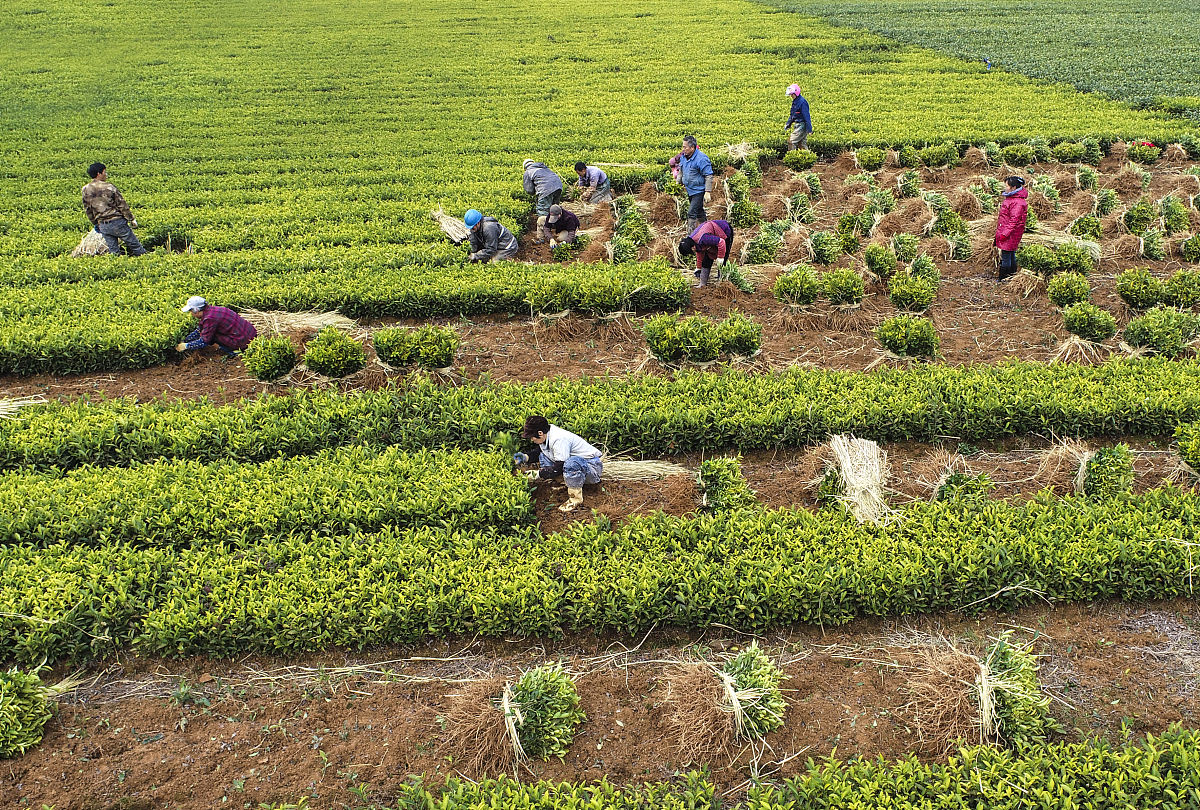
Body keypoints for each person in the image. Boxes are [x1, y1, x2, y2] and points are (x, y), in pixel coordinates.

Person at [520, 415, 603, 512]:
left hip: (592, 468)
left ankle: (575, 499)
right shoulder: (546, 435)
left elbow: (559, 467)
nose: (531, 439)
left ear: (540, 433)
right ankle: (566, 483)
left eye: (532, 437)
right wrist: (525, 457)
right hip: (579, 466)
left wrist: (537, 474)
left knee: (570, 464)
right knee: (543, 456)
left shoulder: (559, 439)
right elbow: (540, 451)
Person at [82, 162, 147, 256]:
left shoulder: (86, 189)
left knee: (114, 252)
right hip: (117, 222)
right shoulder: (109, 187)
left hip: (103, 225)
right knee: (135, 246)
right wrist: (131, 219)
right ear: (98, 174)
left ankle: (117, 267)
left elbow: (88, 209)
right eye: (104, 172)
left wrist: (96, 223)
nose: (106, 174)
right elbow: (122, 205)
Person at [175, 296, 258, 355]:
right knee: (207, 333)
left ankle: (235, 351)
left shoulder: (209, 319)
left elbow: (204, 341)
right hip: (250, 333)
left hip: (244, 341)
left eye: (191, 311)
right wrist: (186, 340)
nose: (191, 314)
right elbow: (199, 329)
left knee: (212, 337)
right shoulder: (213, 310)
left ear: (196, 310)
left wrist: (186, 346)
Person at [668, 136, 714, 231]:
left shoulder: (702, 159)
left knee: (691, 212)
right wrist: (677, 183)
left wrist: (707, 192)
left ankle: (691, 236)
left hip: (699, 190)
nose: (683, 149)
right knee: (699, 211)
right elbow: (681, 171)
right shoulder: (684, 157)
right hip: (690, 190)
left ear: (692, 147)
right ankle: (707, 230)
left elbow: (708, 175)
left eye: (685, 147)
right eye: (683, 147)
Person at [678, 219, 734, 287]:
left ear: (692, 247)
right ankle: (702, 284)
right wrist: (698, 268)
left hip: (724, 230)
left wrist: (720, 257)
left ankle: (721, 283)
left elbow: (721, 242)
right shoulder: (692, 241)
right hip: (711, 234)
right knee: (706, 259)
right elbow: (699, 251)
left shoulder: (704, 238)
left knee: (722, 261)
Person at [994, 176, 1028, 281]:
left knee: (1006, 256)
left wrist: (1004, 234)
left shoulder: (1017, 202)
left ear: (1013, 187)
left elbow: (1014, 220)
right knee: (1011, 253)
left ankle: (1003, 278)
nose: (1005, 187)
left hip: (1010, 233)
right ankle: (1012, 275)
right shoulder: (1013, 200)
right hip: (1010, 232)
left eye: (1007, 185)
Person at [522, 159, 564, 244]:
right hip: (558, 186)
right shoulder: (543, 168)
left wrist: (536, 192)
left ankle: (541, 237)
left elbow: (529, 190)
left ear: (525, 167)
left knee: (542, 213)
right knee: (554, 209)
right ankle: (557, 230)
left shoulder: (528, 172)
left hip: (546, 190)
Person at [784, 85, 812, 152]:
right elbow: (793, 115)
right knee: (801, 144)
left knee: (791, 141)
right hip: (797, 125)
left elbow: (807, 116)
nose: (791, 96)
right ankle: (807, 159)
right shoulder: (795, 102)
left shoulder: (802, 102)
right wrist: (788, 124)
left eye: (792, 94)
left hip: (802, 125)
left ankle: (792, 158)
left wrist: (809, 129)